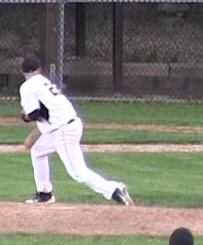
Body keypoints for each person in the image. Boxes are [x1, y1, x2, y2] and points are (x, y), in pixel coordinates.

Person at [19, 55, 134, 205]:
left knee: (77, 171)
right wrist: (34, 133)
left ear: (22, 71)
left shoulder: (27, 86)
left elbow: (35, 114)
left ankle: (114, 190)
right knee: (38, 151)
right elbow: (46, 113)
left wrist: (25, 117)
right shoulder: (44, 81)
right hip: (67, 124)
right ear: (39, 69)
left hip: (63, 130)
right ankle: (44, 193)